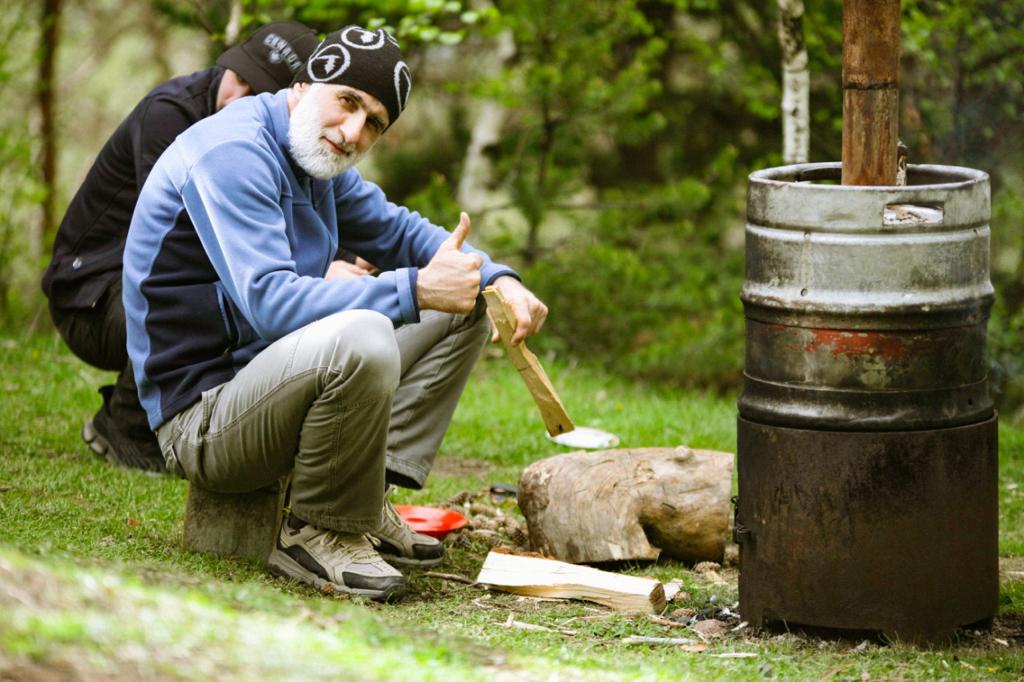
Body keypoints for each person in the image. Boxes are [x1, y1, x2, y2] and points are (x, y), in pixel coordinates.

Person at [123, 26, 548, 600]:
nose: (353, 132)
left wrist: (497, 278)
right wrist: (416, 288)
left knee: (464, 300)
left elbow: (401, 232)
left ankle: (365, 498)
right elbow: (273, 304)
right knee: (365, 333)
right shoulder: (234, 153)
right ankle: (318, 530)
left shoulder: (314, 161)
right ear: (304, 83)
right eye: (347, 101)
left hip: (266, 383)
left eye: (374, 123)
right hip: (202, 419)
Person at [41, 21, 320, 472]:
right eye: (239, 76)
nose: (237, 96)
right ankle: (126, 426)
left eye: (257, 91)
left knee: (248, 294)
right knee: (219, 295)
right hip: (87, 300)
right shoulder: (169, 115)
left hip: (126, 289)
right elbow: (187, 246)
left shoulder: (274, 140)